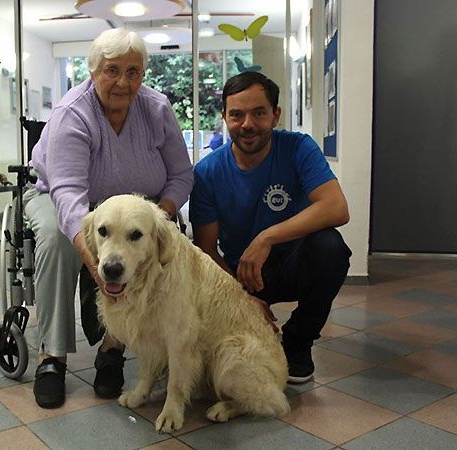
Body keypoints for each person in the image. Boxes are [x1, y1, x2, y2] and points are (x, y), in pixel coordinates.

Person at [24, 28, 193, 408]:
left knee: (149, 244)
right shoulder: (73, 113)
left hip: (137, 209)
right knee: (54, 237)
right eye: (111, 70)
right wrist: (95, 261)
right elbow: (67, 194)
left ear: (143, 76)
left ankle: (114, 348)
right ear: (93, 71)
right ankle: (52, 356)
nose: (122, 82)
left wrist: (158, 218)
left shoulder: (157, 109)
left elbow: (181, 175)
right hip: (59, 199)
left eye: (133, 72)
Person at [189, 71, 351, 383]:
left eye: (258, 113)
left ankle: (297, 342)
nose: (247, 124)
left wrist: (267, 237)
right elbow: (206, 250)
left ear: (275, 115)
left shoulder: (298, 148)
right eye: (236, 114)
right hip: (240, 275)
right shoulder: (207, 172)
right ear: (224, 117)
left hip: (295, 264)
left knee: (330, 247)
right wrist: (239, 298)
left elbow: (336, 207)